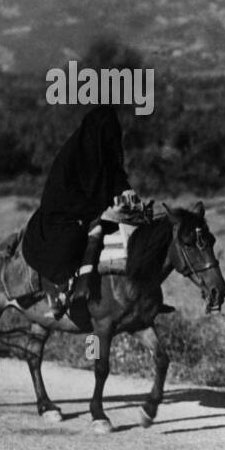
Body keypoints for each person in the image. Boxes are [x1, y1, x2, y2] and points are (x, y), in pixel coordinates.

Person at [21, 42, 142, 318]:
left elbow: (116, 179)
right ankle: (63, 292)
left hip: (89, 210)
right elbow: (63, 197)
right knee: (78, 238)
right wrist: (99, 209)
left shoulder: (104, 158)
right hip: (62, 216)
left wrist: (128, 197)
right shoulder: (71, 160)